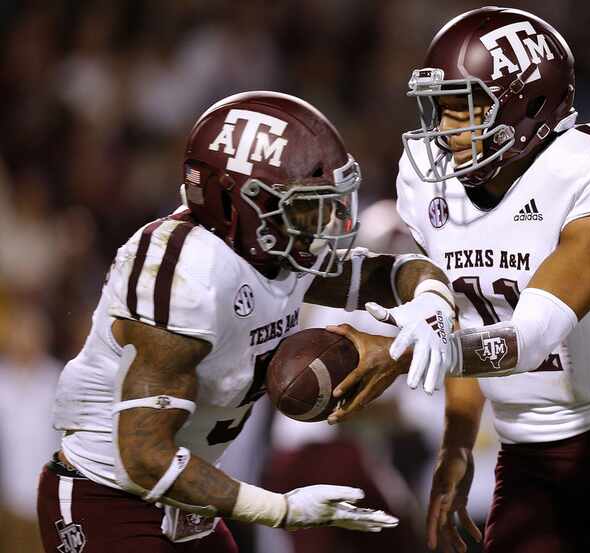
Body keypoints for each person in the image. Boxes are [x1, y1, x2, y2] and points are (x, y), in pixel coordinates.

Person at [328, 7, 590, 553]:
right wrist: (457, 444)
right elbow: (460, 311)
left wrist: (400, 352)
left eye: (465, 109)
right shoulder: (425, 179)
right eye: (440, 109)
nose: (444, 130)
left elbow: (530, 337)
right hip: (524, 452)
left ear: (527, 104)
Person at [37, 91, 457, 553]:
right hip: (107, 495)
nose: (324, 222)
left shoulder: (276, 251)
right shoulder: (186, 270)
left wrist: (432, 302)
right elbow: (142, 455)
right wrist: (282, 510)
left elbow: (387, 273)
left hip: (190, 504)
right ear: (236, 202)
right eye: (302, 205)